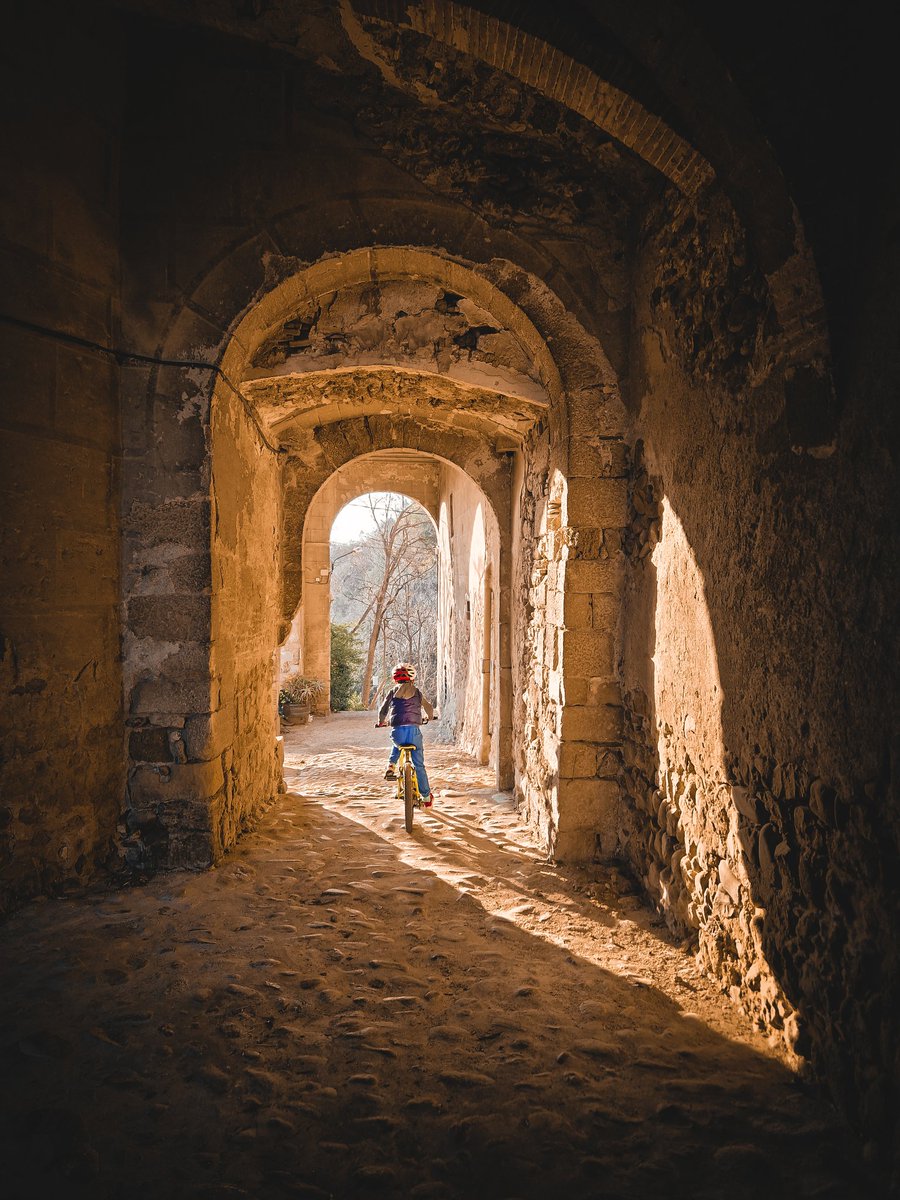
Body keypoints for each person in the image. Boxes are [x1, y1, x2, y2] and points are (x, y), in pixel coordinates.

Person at [375, 663, 435, 807]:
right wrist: (430, 717)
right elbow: (428, 707)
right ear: (412, 679)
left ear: (395, 679)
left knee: (396, 743)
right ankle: (426, 798)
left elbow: (383, 709)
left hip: (397, 731)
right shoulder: (417, 692)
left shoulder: (392, 692)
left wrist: (381, 722)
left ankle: (391, 765)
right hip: (414, 731)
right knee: (419, 765)